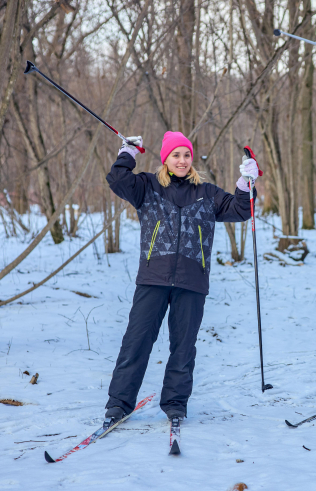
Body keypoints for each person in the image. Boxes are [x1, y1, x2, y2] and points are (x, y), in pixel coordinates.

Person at [103, 131, 259, 425]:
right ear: (165, 159)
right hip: (153, 278)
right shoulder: (147, 187)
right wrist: (128, 152)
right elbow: (118, 180)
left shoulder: (207, 193)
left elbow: (240, 209)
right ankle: (119, 405)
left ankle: (175, 403)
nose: (183, 160)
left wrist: (245, 183)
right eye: (176, 155)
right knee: (136, 342)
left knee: (184, 346)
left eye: (186, 155)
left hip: (192, 281)